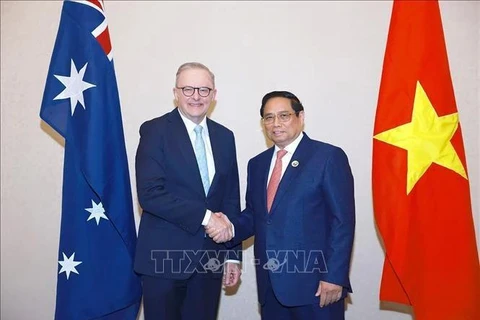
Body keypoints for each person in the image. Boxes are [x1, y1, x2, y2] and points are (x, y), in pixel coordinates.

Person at [207, 91, 355, 319]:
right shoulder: (257, 164)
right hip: (270, 287)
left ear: (301, 116)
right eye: (268, 117)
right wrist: (231, 228)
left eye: (284, 115)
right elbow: (257, 216)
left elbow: (342, 222)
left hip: (316, 287)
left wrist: (334, 276)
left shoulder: (328, 157)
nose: (276, 123)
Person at [134, 62, 242, 320]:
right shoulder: (155, 130)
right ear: (175, 92)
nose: (196, 96)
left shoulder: (225, 137)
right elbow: (150, 193)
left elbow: (230, 198)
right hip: (163, 260)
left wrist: (233, 255)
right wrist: (207, 217)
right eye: (188, 89)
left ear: (214, 95)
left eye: (204, 90)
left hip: (209, 261)